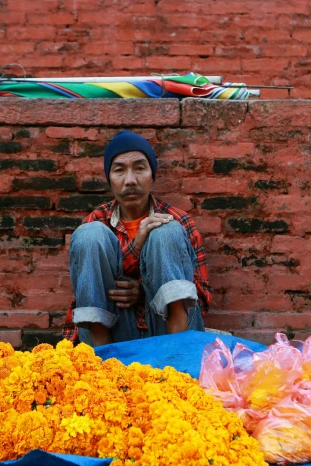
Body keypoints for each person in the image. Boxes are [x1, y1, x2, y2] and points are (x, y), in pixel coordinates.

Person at [62, 130, 213, 347]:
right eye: (119, 171)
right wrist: (137, 244)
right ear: (109, 179)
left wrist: (147, 292)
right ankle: (101, 362)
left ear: (153, 175)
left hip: (165, 329)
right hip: (115, 333)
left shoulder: (180, 220)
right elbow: (89, 292)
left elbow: (202, 297)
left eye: (140, 168)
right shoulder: (97, 221)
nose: (130, 180)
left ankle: (178, 355)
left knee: (166, 231)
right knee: (89, 234)